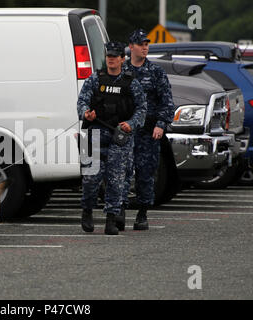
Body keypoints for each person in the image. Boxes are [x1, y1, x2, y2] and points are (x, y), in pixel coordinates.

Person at [77, 41, 146, 235]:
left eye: (115, 56)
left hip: (119, 136)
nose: (111, 59)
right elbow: (82, 101)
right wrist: (85, 114)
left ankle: (111, 219)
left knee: (116, 180)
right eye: (109, 56)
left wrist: (131, 124)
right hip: (96, 134)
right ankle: (87, 211)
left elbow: (142, 108)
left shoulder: (131, 82)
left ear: (122, 59)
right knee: (90, 179)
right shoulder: (95, 79)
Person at [120, 29, 175, 231]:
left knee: (145, 173)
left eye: (147, 44)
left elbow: (167, 102)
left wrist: (161, 124)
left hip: (147, 131)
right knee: (121, 172)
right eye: (141, 44)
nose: (145, 47)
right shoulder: (121, 70)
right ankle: (120, 210)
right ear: (131, 46)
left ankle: (142, 213)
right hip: (125, 130)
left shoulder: (155, 72)